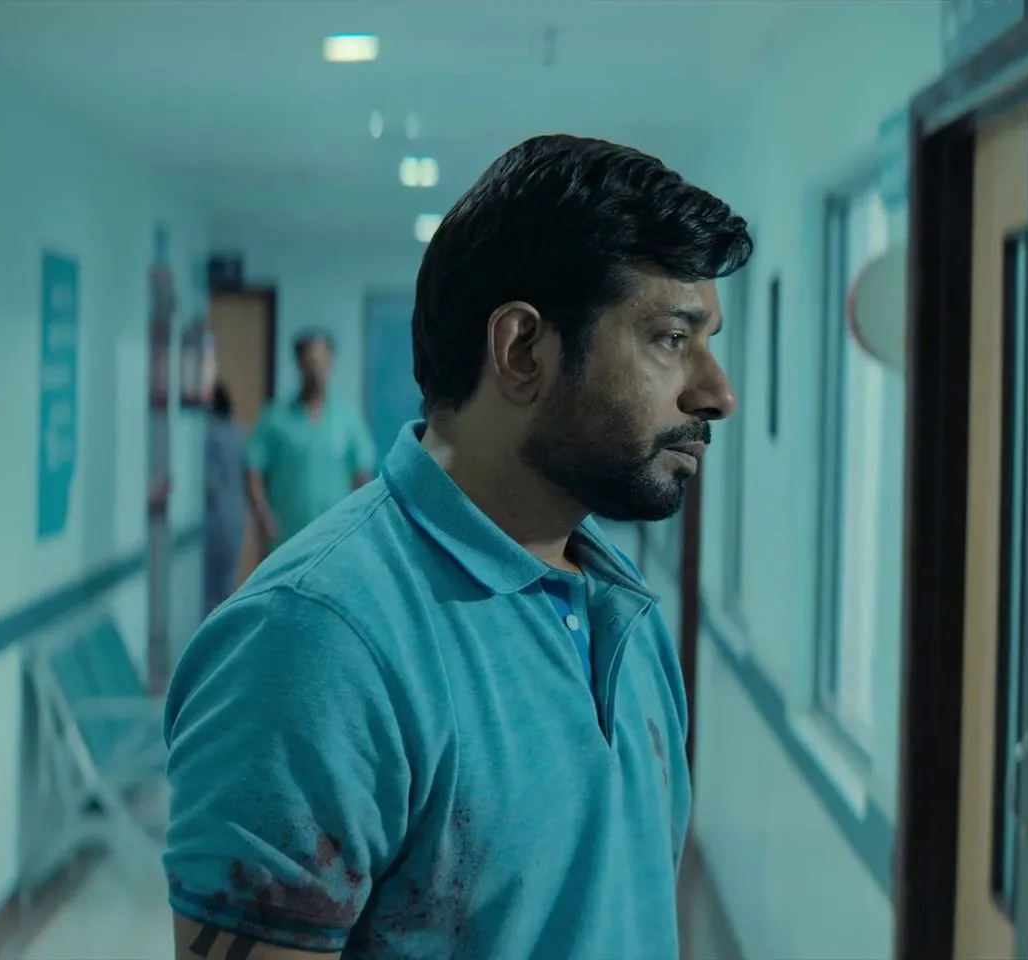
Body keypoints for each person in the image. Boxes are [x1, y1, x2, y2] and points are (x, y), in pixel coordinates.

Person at [161, 134, 751, 959]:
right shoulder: (313, 643)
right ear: (522, 350)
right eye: (671, 339)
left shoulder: (626, 614)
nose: (718, 393)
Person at [243, 330, 376, 551]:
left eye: (322, 362)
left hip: (334, 541)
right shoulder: (276, 419)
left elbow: (362, 475)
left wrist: (355, 523)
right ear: (299, 364)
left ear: (331, 363)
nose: (316, 370)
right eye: (310, 362)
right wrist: (263, 516)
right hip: (285, 540)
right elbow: (252, 471)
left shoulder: (348, 421)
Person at [202, 381, 248, 615]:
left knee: (209, 590)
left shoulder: (208, 436)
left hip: (215, 519)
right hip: (236, 518)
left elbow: (210, 482)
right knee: (228, 583)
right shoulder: (239, 435)